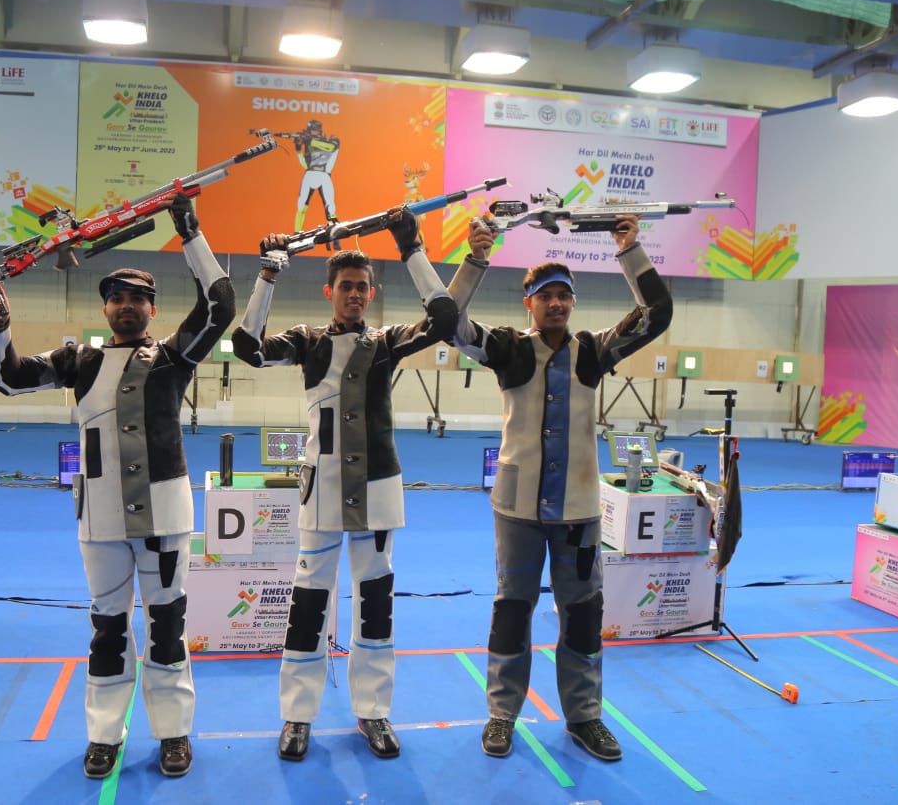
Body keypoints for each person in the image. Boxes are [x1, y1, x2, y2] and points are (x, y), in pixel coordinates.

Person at [0, 196, 235, 780]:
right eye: (117, 297)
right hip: (99, 522)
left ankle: (173, 731)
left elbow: (219, 305)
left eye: (137, 298)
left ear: (152, 308)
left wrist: (189, 229)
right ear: (105, 307)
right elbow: (8, 379)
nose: (126, 305)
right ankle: (104, 734)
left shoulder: (173, 357)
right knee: (109, 629)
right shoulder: (79, 360)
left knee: (167, 627)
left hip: (165, 519)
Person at [231, 211, 456, 761]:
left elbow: (445, 318)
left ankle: (373, 711)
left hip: (377, 489)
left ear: (372, 293)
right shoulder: (308, 341)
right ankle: (297, 715)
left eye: (362, 287)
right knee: (308, 606)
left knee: (375, 605)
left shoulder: (387, 341)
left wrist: (412, 247)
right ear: (329, 291)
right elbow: (247, 347)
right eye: (346, 286)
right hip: (323, 493)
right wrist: (267, 274)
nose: (354, 294)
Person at [447, 214, 671, 762]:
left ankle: (584, 716)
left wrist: (630, 251)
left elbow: (657, 314)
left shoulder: (594, 350)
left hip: (579, 515)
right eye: (546, 295)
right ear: (528, 302)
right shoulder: (507, 348)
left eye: (564, 296)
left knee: (584, 614)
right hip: (517, 513)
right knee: (512, 611)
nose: (556, 304)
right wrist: (476, 258)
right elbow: (447, 322)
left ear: (573, 302)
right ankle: (502, 714)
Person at [293, 119, 340, 233]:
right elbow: (305, 165)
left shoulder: (331, 140)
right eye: (311, 130)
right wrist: (298, 149)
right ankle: (296, 232)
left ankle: (335, 232)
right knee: (302, 205)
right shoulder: (309, 143)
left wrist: (311, 141)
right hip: (310, 174)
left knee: (330, 207)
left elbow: (332, 147)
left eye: (315, 130)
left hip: (324, 175)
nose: (313, 132)